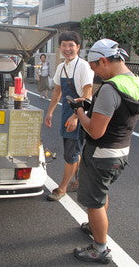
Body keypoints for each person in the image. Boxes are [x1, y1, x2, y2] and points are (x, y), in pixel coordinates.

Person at [71, 39, 139, 264]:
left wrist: (80, 111)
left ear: (104, 60)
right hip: (121, 152)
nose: (94, 72)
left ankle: (100, 249)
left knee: (94, 203)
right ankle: (95, 227)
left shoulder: (109, 89)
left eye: (94, 67)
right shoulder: (135, 81)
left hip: (101, 154)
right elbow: (120, 115)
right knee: (101, 194)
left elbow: (95, 131)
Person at [45, 31, 94, 201]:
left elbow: (87, 92)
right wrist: (50, 111)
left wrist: (76, 117)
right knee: (74, 150)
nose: (67, 49)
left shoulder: (83, 66)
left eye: (71, 45)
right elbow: (57, 91)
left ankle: (62, 188)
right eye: (64, 45)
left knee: (70, 153)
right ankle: (79, 180)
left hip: (79, 114)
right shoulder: (61, 66)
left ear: (78, 47)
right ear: (60, 47)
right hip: (67, 112)